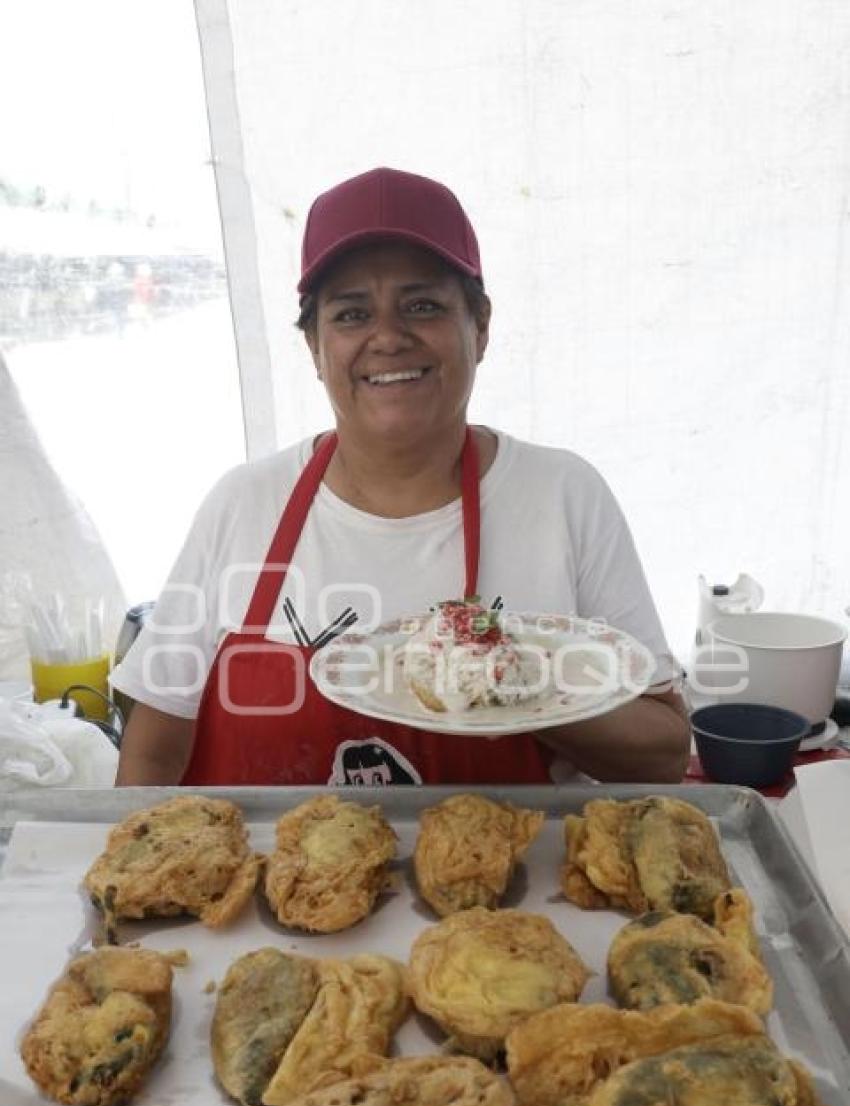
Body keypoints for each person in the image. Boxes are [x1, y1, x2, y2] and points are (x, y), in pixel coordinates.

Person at [113, 167, 690, 787]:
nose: (387, 337)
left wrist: (511, 678)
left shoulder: (561, 496)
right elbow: (153, 752)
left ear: (480, 326)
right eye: (351, 314)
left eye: (423, 306)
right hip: (265, 856)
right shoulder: (244, 504)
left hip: (509, 856)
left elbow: (662, 753)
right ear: (314, 347)